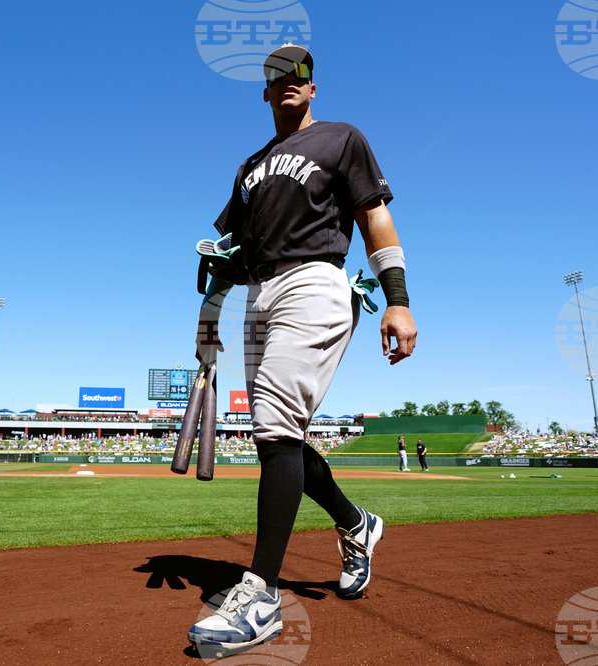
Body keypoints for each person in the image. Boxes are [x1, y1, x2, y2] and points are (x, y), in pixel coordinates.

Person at [187, 43, 417, 655]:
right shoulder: (250, 166)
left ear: (313, 87)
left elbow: (375, 219)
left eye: (300, 73)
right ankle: (356, 524)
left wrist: (398, 299)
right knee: (276, 430)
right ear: (264, 92)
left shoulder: (342, 139)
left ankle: (260, 593)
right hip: (256, 296)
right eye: (275, 75)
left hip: (316, 279)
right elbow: (229, 255)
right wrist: (208, 314)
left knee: (275, 424)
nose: (288, 80)